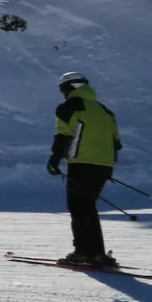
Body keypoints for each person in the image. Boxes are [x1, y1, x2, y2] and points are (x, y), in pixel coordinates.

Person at [49, 71, 122, 267]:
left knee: (79, 207)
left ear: (68, 89)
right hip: (105, 165)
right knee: (87, 207)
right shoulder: (105, 111)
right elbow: (116, 142)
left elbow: (63, 135)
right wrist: (108, 168)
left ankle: (84, 253)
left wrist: (54, 160)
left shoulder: (70, 106)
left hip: (82, 163)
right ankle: (97, 253)